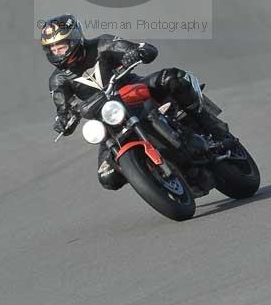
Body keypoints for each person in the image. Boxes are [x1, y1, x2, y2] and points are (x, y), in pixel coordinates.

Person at [40, 14, 230, 191]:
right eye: (52, 49)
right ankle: (152, 176)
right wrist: (63, 121)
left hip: (133, 90)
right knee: (107, 177)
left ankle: (213, 128)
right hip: (110, 119)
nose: (57, 52)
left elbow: (143, 48)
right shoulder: (58, 80)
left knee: (173, 78)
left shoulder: (101, 44)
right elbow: (63, 108)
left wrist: (138, 52)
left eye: (61, 46)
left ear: (74, 39)